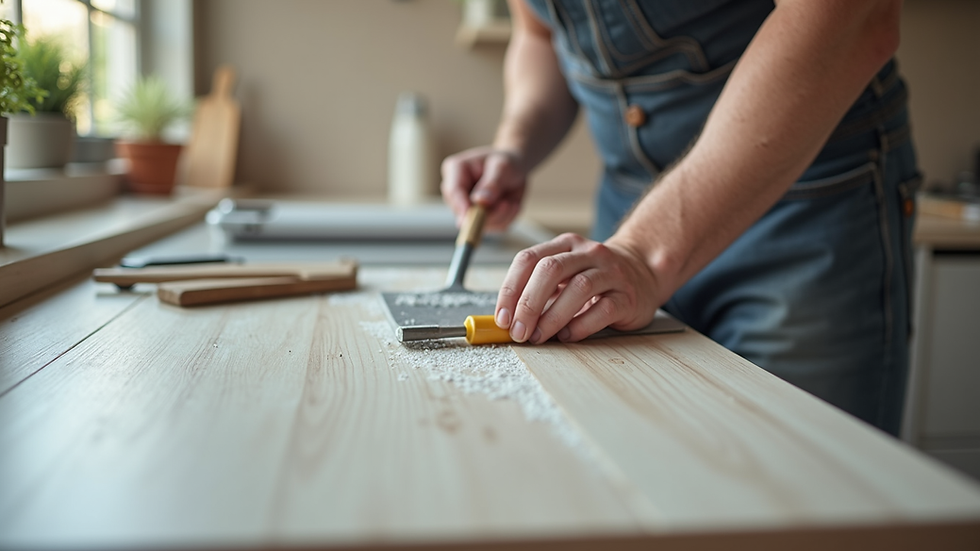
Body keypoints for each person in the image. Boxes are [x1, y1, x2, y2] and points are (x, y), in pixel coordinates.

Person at [439, 0, 919, 437]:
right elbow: (541, 34)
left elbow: (854, 18)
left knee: (795, 490)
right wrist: (515, 144)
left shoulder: (640, 255)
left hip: (804, 216)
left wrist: (643, 255)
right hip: (627, 230)